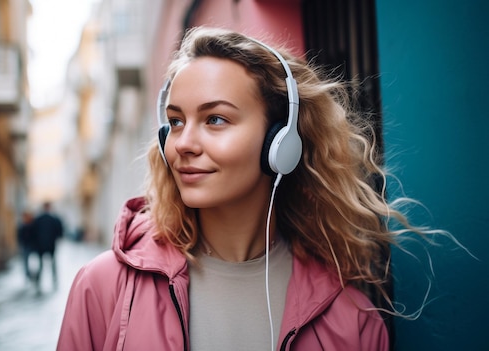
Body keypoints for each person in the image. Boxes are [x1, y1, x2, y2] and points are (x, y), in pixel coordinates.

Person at [57, 26, 431, 350]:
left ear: (280, 142)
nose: (183, 143)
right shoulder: (102, 288)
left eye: (215, 119)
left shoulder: (352, 320)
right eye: (175, 121)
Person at [32, 201, 64, 292]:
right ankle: (54, 280)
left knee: (41, 264)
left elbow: (33, 232)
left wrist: (35, 243)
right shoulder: (54, 219)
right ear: (49, 207)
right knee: (53, 264)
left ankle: (39, 280)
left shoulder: (38, 219)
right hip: (51, 245)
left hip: (40, 245)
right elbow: (60, 231)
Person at [16, 210, 34, 283]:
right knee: (25, 261)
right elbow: (19, 237)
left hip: (31, 246)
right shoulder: (22, 226)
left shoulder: (31, 225)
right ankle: (28, 274)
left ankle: (33, 274)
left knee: (30, 260)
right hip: (25, 246)